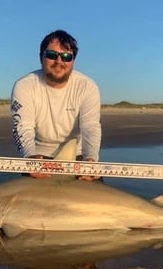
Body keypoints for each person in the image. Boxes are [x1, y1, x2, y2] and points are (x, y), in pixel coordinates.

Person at [11, 29, 102, 180]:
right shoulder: (24, 86)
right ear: (41, 57)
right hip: (37, 156)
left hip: (79, 156)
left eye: (66, 57)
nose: (59, 61)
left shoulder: (87, 86)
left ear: (73, 61)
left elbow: (90, 127)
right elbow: (22, 128)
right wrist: (29, 157)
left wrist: (91, 160)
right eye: (52, 55)